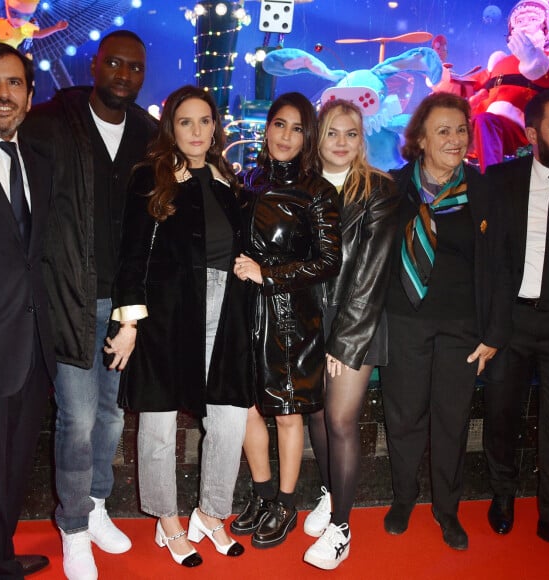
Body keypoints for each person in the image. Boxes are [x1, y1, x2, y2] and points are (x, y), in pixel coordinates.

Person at [19, 30, 158, 580]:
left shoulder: (149, 133)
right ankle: (73, 527)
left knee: (110, 413)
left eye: (135, 68)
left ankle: (97, 506)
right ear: (96, 65)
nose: (124, 75)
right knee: (76, 419)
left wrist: (136, 309)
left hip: (126, 302)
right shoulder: (51, 123)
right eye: (115, 64)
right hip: (69, 296)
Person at [105, 84, 252, 568]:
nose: (196, 130)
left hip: (225, 311)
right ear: (171, 127)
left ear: (215, 127)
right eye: (185, 121)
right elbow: (131, 257)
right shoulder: (152, 176)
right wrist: (129, 322)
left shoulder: (229, 181)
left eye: (204, 121)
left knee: (229, 418)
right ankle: (167, 521)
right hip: (166, 312)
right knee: (160, 419)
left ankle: (210, 513)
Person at [380, 92, 511, 550]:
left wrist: (495, 332)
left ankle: (447, 509)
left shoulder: (483, 190)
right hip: (404, 319)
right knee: (403, 417)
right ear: (419, 139)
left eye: (460, 130)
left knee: (452, 420)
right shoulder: (392, 189)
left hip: (462, 328)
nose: (454, 140)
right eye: (443, 131)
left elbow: (501, 264)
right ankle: (403, 498)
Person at [230, 92, 341, 549]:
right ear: (268, 127)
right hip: (241, 311)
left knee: (288, 413)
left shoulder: (317, 191)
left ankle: (286, 501)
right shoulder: (245, 180)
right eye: (279, 124)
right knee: (246, 408)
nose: (286, 136)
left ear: (307, 137)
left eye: (297, 128)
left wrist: (268, 274)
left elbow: (330, 260)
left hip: (289, 317)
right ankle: (260, 494)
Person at [301, 99, 398, 570]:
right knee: (315, 417)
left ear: (362, 139)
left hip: (356, 321)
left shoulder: (379, 189)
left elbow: (371, 273)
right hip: (306, 319)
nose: (342, 143)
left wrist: (345, 340)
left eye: (352, 134)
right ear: (319, 136)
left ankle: (341, 526)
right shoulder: (302, 185)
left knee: (340, 420)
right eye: (333, 133)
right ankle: (329, 492)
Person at [483, 87, 549, 562]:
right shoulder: (501, 181)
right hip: (511, 319)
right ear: (534, 134)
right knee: (502, 412)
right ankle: (502, 492)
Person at [0, 41, 55, 580]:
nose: (2, 93)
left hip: (34, 345)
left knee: (11, 463)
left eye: (14, 83)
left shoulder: (37, 162)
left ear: (30, 97)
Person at [469, 0, 549, 172]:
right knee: (477, 120)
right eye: (520, 21)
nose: (525, 25)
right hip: (491, 127)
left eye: (532, 19)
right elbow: (473, 84)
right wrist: (438, 75)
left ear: (544, 26)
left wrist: (533, 61)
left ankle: (494, 179)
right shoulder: (499, 62)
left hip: (531, 128)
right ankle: (492, 178)